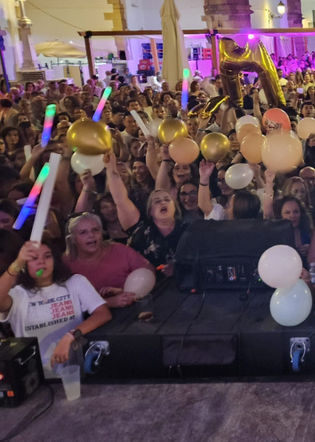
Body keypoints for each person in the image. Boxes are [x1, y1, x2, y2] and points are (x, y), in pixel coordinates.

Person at [0, 240, 112, 378]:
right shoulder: (18, 294)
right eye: (34, 258)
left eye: (47, 256)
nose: (42, 262)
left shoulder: (75, 282)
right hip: (36, 378)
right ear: (23, 266)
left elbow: (103, 314)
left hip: (76, 371)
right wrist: (16, 264)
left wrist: (70, 335)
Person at [105, 152, 188, 272]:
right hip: (145, 286)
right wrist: (110, 168)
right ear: (150, 210)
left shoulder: (187, 230)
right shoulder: (140, 229)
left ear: (175, 206)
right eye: (157, 201)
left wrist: (177, 267)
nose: (163, 203)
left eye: (166, 200)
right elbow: (120, 199)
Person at [63, 213, 155, 308]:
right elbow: (67, 303)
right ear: (73, 239)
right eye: (83, 232)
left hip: (133, 307)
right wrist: (108, 302)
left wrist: (125, 290)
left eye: (95, 230)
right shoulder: (65, 263)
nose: (91, 235)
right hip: (97, 318)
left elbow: (148, 270)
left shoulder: (119, 249)